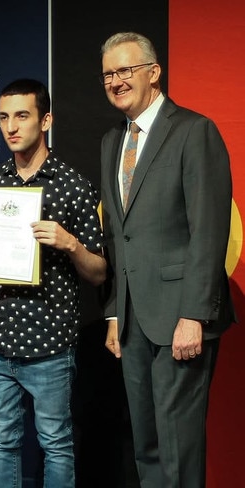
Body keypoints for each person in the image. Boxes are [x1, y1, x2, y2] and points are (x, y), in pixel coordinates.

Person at [99, 32, 235, 488]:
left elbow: (209, 231)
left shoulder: (195, 131)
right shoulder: (110, 142)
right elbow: (120, 235)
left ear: (154, 73)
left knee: (178, 448)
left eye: (125, 70)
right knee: (147, 446)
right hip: (133, 318)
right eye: (108, 74)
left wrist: (194, 313)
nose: (116, 81)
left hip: (180, 316)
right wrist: (115, 311)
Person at [0, 79, 106, 488]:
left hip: (50, 341)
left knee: (56, 443)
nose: (11, 126)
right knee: (1, 442)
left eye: (22, 116)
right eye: (4, 117)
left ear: (45, 120)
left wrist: (70, 244)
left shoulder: (73, 186)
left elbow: (98, 272)